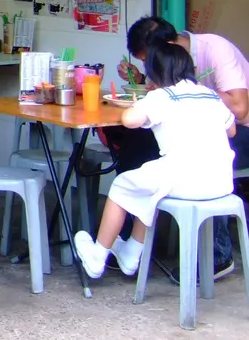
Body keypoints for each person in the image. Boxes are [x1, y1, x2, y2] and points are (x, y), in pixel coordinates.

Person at [75, 41, 236, 279]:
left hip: (183, 182)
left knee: (122, 185)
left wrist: (140, 103)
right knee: (148, 183)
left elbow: (129, 120)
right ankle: (131, 252)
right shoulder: (210, 94)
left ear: (155, 73)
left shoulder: (161, 96)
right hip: (220, 182)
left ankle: (97, 257)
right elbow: (231, 131)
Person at [107, 16, 249, 280]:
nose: (149, 66)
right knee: (137, 145)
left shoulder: (215, 49)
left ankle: (217, 254)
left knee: (204, 147)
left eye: (149, 61)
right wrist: (151, 82)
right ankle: (126, 239)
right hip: (205, 125)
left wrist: (189, 88)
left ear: (168, 48)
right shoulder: (173, 71)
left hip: (241, 129)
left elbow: (240, 109)